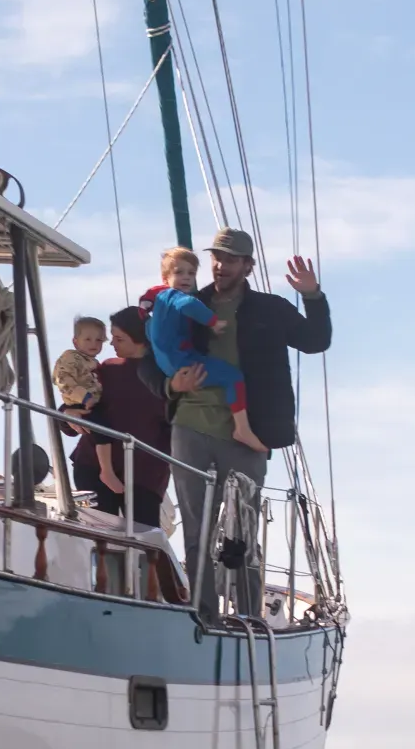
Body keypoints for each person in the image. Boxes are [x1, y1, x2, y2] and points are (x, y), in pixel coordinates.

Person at [139, 227, 331, 615]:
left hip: (247, 433)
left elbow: (316, 340)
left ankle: (248, 615)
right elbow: (147, 356)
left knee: (244, 529)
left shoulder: (271, 309)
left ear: (248, 265)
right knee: (197, 529)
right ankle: (203, 614)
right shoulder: (187, 302)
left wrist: (312, 295)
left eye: (229, 259)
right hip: (191, 425)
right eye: (215, 258)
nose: (219, 265)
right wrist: (169, 384)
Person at [141, 247, 264, 453]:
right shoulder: (173, 296)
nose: (186, 278)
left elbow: (149, 330)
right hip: (183, 362)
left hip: (171, 363)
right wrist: (213, 322)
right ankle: (242, 429)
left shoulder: (158, 304)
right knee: (233, 377)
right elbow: (189, 303)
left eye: (191, 273)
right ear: (166, 277)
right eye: (179, 272)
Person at [68, 305, 170, 529]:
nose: (111, 344)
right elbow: (76, 400)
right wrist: (67, 414)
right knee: (99, 543)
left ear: (139, 339)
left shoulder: (165, 377)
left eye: (119, 338)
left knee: (145, 547)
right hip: (93, 468)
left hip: (145, 477)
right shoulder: (106, 369)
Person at [53, 315, 106, 418]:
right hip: (79, 403)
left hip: (95, 403)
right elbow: (64, 380)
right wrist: (85, 397)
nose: (93, 344)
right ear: (75, 342)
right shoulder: (71, 358)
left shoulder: (96, 364)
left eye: (99, 340)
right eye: (88, 339)